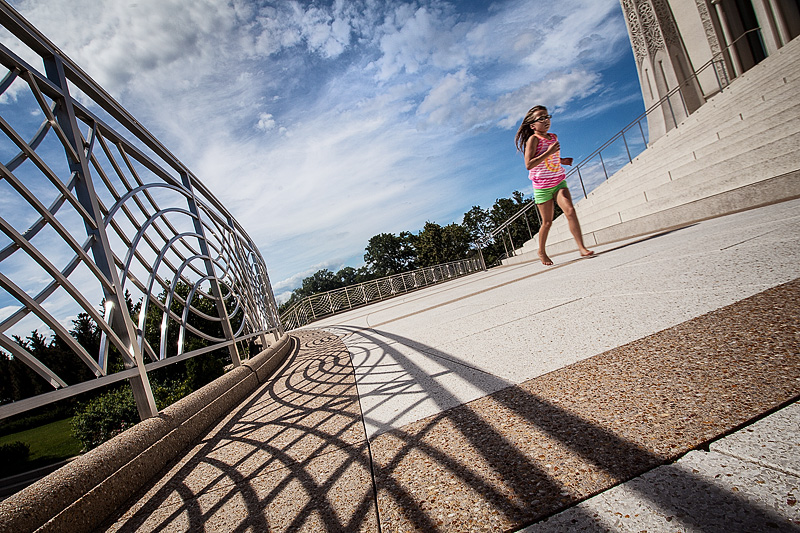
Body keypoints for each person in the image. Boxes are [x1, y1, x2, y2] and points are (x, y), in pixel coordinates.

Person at [515, 105, 594, 265]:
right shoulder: (533, 139)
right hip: (542, 187)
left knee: (570, 211)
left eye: (547, 117)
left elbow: (549, 160)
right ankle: (541, 251)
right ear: (532, 125)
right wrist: (550, 152)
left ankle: (582, 248)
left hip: (558, 181)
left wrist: (561, 160)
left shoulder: (553, 137)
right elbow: (529, 164)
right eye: (541, 118)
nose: (546, 121)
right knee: (547, 222)